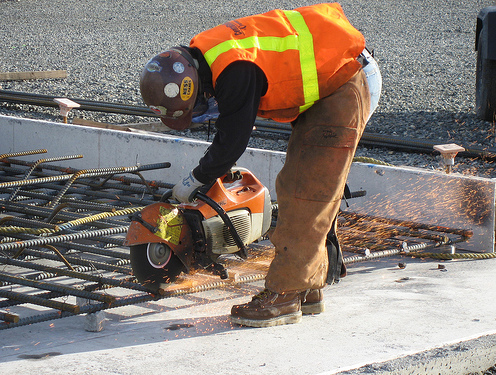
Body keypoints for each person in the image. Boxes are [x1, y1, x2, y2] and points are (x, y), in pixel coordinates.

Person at [139, 2, 382, 328]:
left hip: (344, 80)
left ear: (194, 85)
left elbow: (232, 143)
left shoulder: (233, 68)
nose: (203, 108)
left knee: (304, 192)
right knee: (308, 186)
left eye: (197, 105)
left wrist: (196, 178)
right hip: (335, 80)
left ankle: (283, 295)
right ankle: (307, 288)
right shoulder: (209, 55)